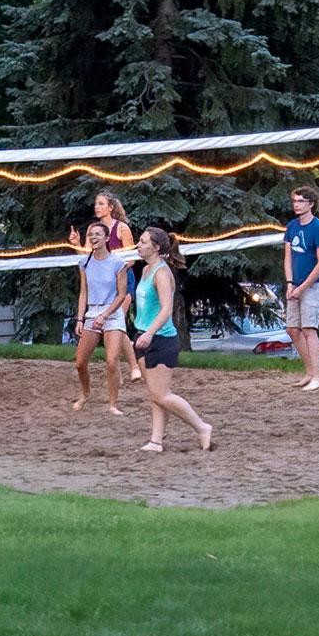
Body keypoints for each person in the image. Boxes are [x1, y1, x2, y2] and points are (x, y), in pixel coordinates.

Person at [132, 228, 214, 452]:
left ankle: (202, 427)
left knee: (162, 394)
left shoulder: (160, 272)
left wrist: (149, 333)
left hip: (160, 339)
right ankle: (156, 441)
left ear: (156, 247)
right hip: (142, 337)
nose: (138, 245)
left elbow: (167, 309)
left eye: (142, 242)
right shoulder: (146, 269)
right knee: (155, 395)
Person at [69, 191, 141, 381]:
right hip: (101, 283)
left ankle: (133, 366)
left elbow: (132, 259)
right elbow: (87, 257)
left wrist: (112, 270)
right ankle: (118, 368)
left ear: (111, 207)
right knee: (114, 327)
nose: (97, 207)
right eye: (96, 204)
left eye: (101, 203)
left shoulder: (122, 228)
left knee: (118, 322)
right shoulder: (94, 228)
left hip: (121, 280)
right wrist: (76, 244)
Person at [72, 222, 133, 413]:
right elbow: (84, 292)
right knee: (80, 363)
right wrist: (80, 319)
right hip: (92, 312)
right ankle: (86, 394)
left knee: (111, 361)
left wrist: (105, 315)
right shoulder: (85, 262)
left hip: (112, 313)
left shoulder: (118, 262)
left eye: (98, 234)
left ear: (107, 238)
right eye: (90, 235)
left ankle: (113, 404)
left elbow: (121, 294)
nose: (93, 237)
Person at [284, 185, 319, 391]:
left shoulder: (318, 228)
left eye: (301, 201)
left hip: (312, 286)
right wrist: (289, 283)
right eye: (295, 201)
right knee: (292, 329)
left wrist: (303, 287)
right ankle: (309, 372)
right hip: (295, 285)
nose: (297, 205)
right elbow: (288, 257)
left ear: (311, 204)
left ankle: (317, 377)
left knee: (308, 329)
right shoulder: (292, 226)